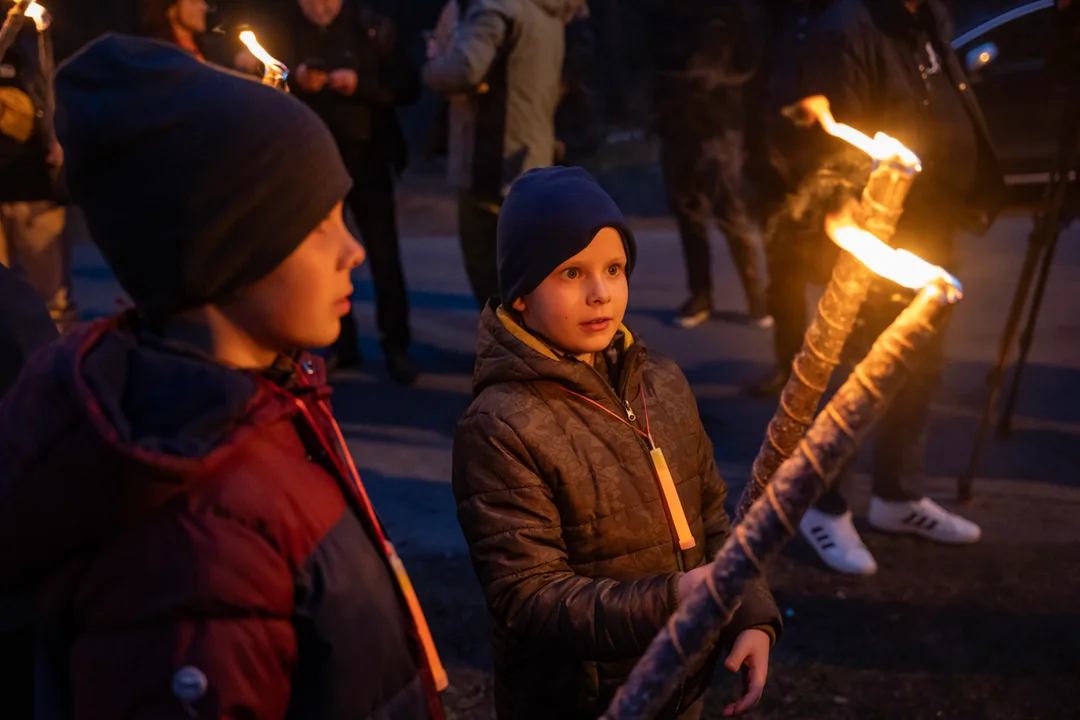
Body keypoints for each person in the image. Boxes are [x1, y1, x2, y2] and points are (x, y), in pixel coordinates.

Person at [0, 35, 445, 718]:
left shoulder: (270, 408)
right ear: (227, 248)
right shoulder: (191, 551)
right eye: (319, 223)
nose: (352, 249)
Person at [452, 166, 781, 719]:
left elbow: (711, 520)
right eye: (571, 273)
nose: (601, 293)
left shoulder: (664, 384)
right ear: (521, 296)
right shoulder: (502, 426)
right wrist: (673, 600)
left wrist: (749, 614)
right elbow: (528, 598)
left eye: (614, 268)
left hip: (681, 687)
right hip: (581, 701)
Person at [791, 0, 1003, 575]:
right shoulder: (849, 26)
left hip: (933, 224)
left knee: (919, 364)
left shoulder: (926, 17)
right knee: (856, 374)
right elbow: (834, 145)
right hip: (881, 237)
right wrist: (859, 236)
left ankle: (898, 498)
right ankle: (821, 504)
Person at [241, 0, 422, 384]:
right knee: (323, 260)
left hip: (368, 160)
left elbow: (407, 84)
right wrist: (296, 78)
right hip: (310, 168)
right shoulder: (282, 29)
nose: (321, 5)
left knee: (383, 255)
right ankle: (343, 342)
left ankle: (396, 346)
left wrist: (360, 84)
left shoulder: (370, 27)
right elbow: (260, 74)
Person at [423, 0, 577, 309]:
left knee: (490, 269)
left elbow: (464, 69)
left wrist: (432, 66)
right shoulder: (548, 10)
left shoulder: (498, 6)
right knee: (526, 271)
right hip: (531, 155)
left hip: (491, 162)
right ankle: (531, 349)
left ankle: (508, 350)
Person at [650, 0, 771, 329]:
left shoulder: (733, 11)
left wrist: (718, 81)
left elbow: (753, 54)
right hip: (675, 115)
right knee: (687, 209)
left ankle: (756, 295)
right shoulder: (666, 13)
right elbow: (648, 49)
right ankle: (700, 293)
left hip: (719, 117)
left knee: (730, 208)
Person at [0, 6, 72, 332]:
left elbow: (56, 103)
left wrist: (59, 140)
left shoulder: (35, 51)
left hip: (33, 191)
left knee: (51, 301)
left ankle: (57, 373)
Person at [137, 0, 209, 59]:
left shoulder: (210, 49)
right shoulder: (160, 54)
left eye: (203, 2)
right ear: (171, 10)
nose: (203, 7)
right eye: (194, 2)